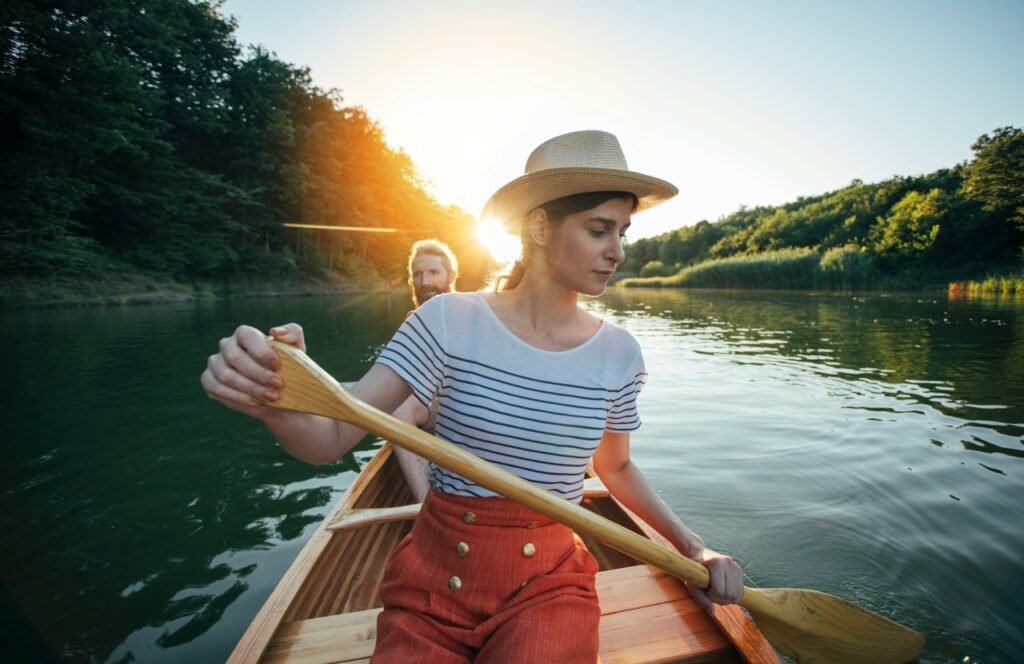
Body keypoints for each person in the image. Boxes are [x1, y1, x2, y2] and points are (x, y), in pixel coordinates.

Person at [200, 130, 744, 662]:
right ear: (538, 227)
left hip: (549, 585)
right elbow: (329, 439)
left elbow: (617, 468)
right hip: (433, 584)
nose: (618, 252)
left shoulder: (619, 354)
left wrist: (692, 547)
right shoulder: (444, 320)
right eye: (600, 230)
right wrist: (276, 394)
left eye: (622, 232)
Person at [392, 239, 460, 501]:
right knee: (398, 410)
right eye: (418, 274)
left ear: (451, 276)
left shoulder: (474, 313)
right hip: (432, 408)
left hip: (473, 404)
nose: (424, 281)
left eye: (433, 272)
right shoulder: (412, 321)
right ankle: (425, 504)